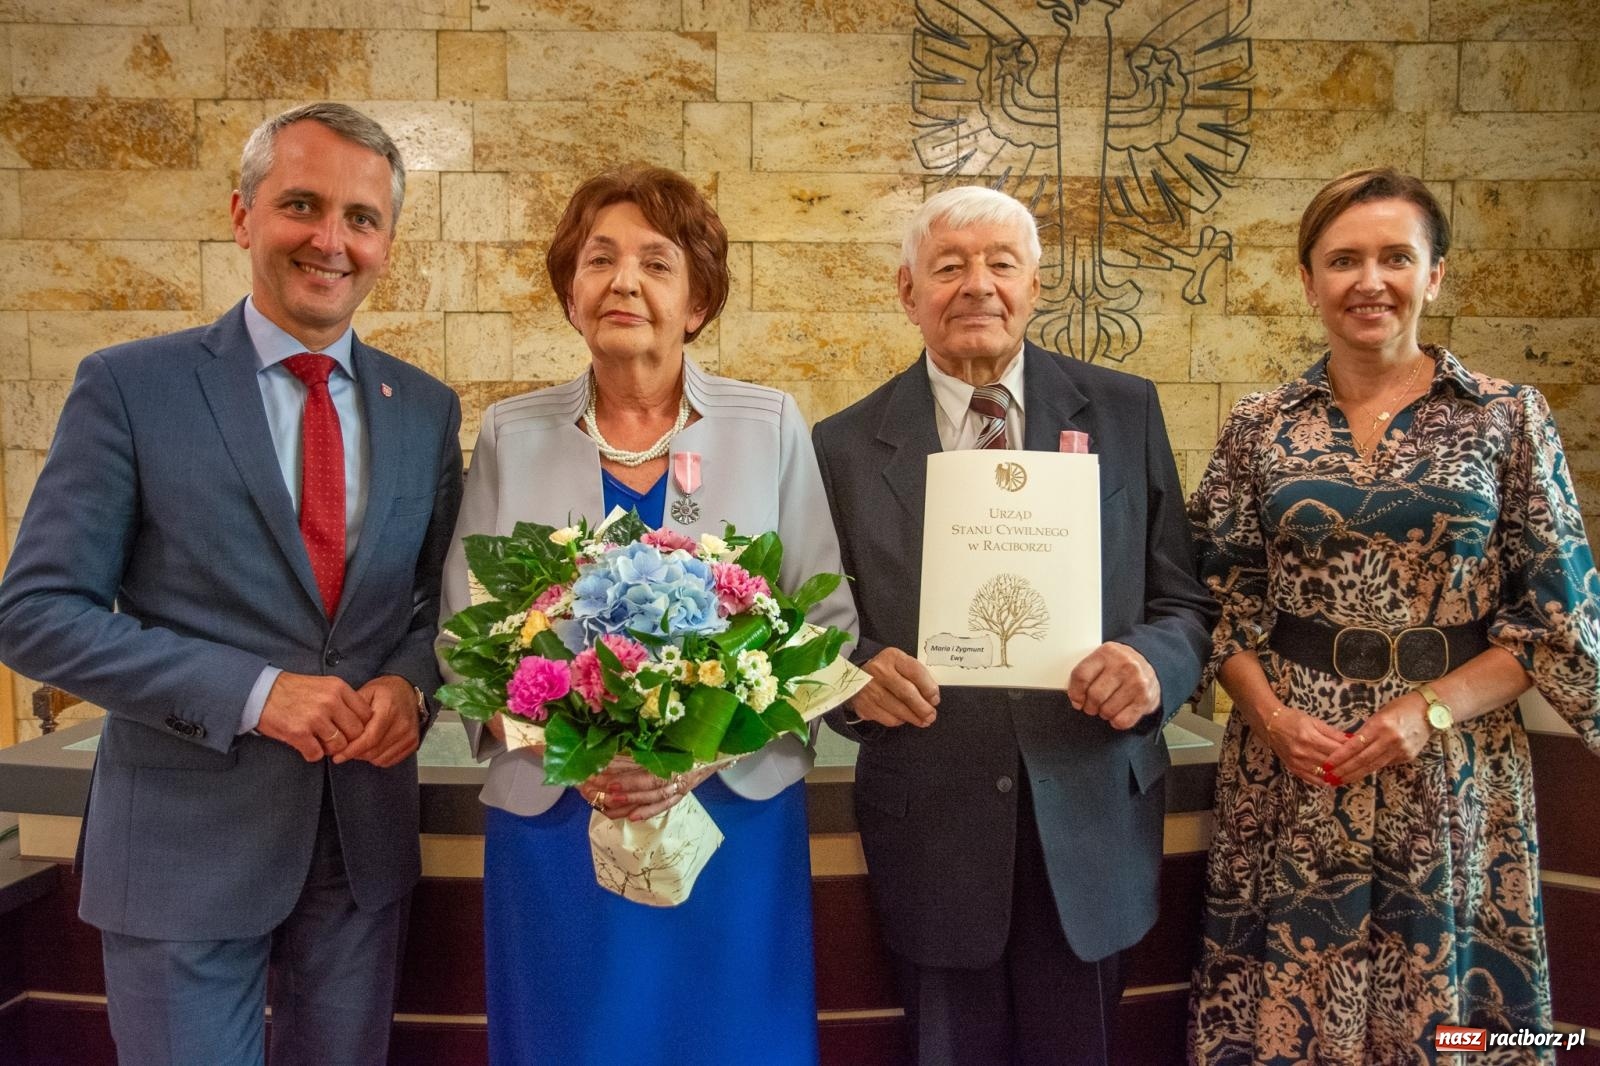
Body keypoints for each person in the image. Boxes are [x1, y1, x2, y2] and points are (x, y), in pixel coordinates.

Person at [0, 103, 463, 1065]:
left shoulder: (423, 407)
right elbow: (35, 613)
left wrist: (411, 687)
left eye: (361, 218)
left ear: (388, 241)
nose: (331, 240)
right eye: (302, 204)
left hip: (361, 850)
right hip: (182, 854)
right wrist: (255, 695)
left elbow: (438, 606)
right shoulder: (130, 387)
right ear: (243, 214)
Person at [442, 163, 856, 1066]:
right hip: (557, 818)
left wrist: (692, 759)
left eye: (656, 262)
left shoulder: (770, 425)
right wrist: (581, 755)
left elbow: (826, 632)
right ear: (570, 294)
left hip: (727, 822)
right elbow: (462, 639)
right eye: (599, 259)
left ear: (697, 300)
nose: (624, 281)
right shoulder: (512, 434)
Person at [1185, 167, 1600, 1064]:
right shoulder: (1259, 425)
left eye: (1394, 257)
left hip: (1452, 762)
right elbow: (1212, 592)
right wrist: (1270, 716)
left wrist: (1429, 709)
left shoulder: (1507, 416)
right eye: (1343, 259)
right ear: (1308, 280)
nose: (1368, 280)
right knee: (1291, 1011)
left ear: (1435, 275)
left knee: (1448, 1018)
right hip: (1293, 764)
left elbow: (1559, 616)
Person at [811, 185, 1217, 1065]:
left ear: (1035, 284)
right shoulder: (842, 445)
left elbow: (1183, 602)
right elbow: (811, 627)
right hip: (933, 825)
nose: (977, 286)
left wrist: (1152, 667)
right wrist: (853, 676)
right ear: (906, 290)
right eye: (948, 266)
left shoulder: (1124, 411)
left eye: (1002, 263)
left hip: (1094, 808)